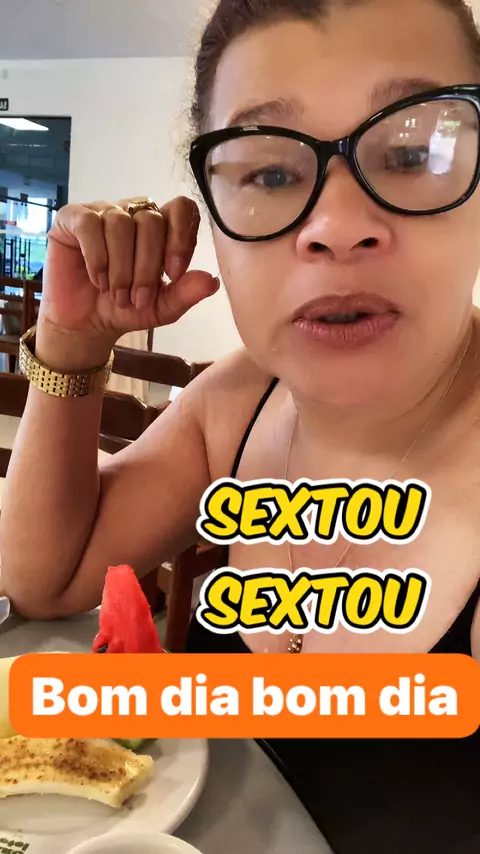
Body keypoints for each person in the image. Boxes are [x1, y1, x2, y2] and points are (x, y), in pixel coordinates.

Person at [2, 0, 480, 849]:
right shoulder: (241, 399)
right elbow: (48, 579)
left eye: (411, 154)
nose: (337, 228)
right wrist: (71, 345)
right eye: (269, 173)